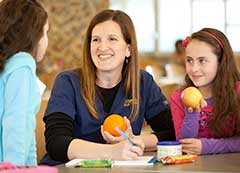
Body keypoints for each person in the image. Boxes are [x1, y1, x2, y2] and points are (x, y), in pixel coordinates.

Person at [40, 9, 175, 166]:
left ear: (128, 49)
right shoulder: (67, 82)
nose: (102, 47)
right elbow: (56, 142)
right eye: (96, 40)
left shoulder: (142, 82)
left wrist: (136, 141)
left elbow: (172, 132)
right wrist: (113, 152)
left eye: (112, 39)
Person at [170, 28, 240, 155]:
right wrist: (192, 111)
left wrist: (207, 146)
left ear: (221, 62)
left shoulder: (237, 92)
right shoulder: (178, 97)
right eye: (189, 60)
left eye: (202, 61)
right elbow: (185, 145)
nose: (194, 69)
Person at [0, 0, 48, 166]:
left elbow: (28, 127)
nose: (46, 39)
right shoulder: (22, 64)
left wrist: (32, 168)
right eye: (46, 32)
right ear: (33, 35)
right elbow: (16, 124)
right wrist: (15, 169)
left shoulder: (9, 64)